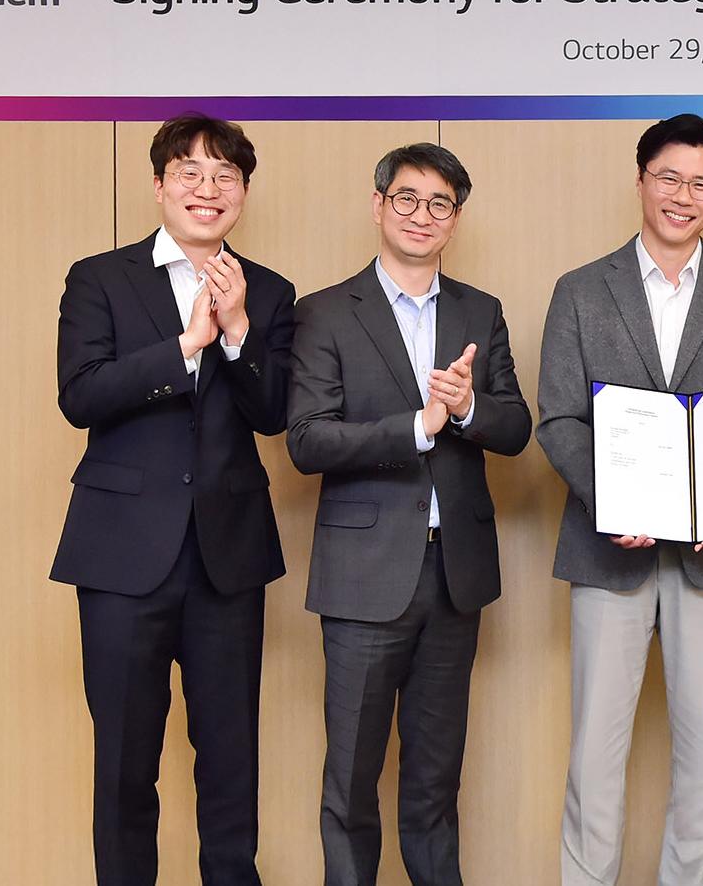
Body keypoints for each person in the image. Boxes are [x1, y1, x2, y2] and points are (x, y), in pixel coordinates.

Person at [536, 114, 703, 886]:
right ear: (641, 178)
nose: (684, 196)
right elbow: (560, 418)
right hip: (608, 551)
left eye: (702, 183)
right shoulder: (580, 290)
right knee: (593, 756)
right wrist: (618, 504)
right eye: (670, 178)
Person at [53, 113, 295, 886]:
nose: (208, 188)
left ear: (243, 195)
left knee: (230, 760)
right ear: (158, 186)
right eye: (189, 172)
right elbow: (81, 395)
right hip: (123, 556)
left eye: (225, 176)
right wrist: (185, 346)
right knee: (125, 760)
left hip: (227, 556)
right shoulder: (100, 278)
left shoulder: (272, 290)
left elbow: (274, 413)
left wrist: (234, 334)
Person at [286, 142, 531, 886]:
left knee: (434, 779)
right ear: (378, 205)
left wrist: (467, 411)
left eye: (439, 204)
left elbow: (516, 426)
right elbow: (306, 439)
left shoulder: (478, 311)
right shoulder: (325, 312)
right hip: (364, 578)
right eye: (407, 199)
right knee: (352, 782)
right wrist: (417, 426)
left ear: (456, 218)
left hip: (453, 578)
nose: (422, 216)